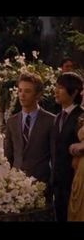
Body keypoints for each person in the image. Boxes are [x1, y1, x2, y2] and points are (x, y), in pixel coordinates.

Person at [4, 72, 55, 192]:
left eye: (27, 91)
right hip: (15, 186)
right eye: (20, 90)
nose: (22, 95)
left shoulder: (51, 121)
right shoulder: (12, 121)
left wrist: (50, 184)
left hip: (41, 185)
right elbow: (8, 155)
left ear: (38, 94)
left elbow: (55, 157)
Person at [52, 72, 84, 222]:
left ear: (75, 91)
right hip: (58, 183)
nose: (56, 91)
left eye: (61, 88)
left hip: (75, 180)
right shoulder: (57, 117)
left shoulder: (81, 117)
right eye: (56, 87)